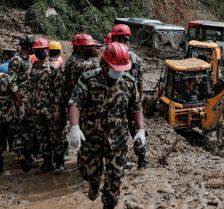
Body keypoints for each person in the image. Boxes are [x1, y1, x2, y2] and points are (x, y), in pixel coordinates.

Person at [68, 42, 145, 209]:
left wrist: (140, 130)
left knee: (114, 182)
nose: (118, 72)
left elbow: (136, 107)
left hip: (118, 142)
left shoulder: (129, 82)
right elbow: (75, 103)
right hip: (91, 140)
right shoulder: (88, 79)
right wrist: (75, 127)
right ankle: (93, 184)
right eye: (115, 68)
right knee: (89, 173)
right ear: (105, 63)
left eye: (122, 68)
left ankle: (108, 203)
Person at [111, 24, 146, 169]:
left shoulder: (110, 54)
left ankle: (121, 160)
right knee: (137, 130)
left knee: (119, 132)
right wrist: (139, 100)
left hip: (116, 101)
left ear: (116, 38)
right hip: (132, 100)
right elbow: (140, 83)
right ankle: (142, 160)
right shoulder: (135, 58)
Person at [29, 37, 64, 174]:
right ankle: (47, 162)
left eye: (41, 50)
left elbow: (58, 91)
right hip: (37, 109)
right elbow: (31, 88)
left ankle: (59, 162)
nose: (39, 52)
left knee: (55, 136)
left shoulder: (53, 68)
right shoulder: (34, 68)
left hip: (50, 109)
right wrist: (31, 105)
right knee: (42, 136)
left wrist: (57, 109)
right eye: (36, 50)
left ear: (47, 50)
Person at [8, 35, 36, 171]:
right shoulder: (16, 60)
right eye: (33, 47)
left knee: (29, 126)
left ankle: (28, 153)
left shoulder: (28, 60)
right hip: (21, 99)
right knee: (23, 126)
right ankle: (25, 155)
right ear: (27, 47)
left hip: (28, 98)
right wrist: (17, 96)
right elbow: (11, 80)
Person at [0, 72, 21, 174]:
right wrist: (20, 101)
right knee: (14, 132)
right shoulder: (5, 76)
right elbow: (15, 91)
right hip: (8, 111)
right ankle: (20, 154)